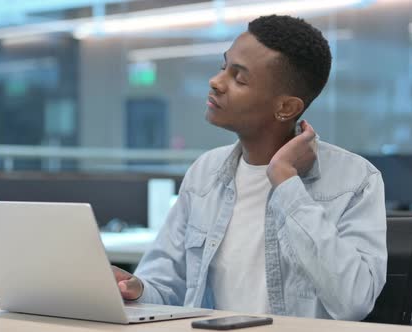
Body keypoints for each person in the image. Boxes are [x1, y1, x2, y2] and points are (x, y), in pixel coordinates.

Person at [112, 14, 387, 321]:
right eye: (223, 67)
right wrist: (135, 287)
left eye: (239, 78)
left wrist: (286, 181)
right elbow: (167, 287)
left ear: (286, 107)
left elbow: (354, 301)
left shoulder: (356, 180)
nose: (216, 82)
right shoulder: (205, 173)